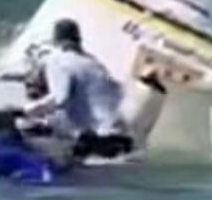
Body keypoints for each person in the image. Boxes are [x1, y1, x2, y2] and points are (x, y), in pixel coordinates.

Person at [21, 18, 132, 159]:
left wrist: (24, 111)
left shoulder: (57, 60)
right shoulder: (94, 62)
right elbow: (116, 93)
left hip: (95, 142)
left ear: (56, 41)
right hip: (122, 137)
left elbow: (60, 99)